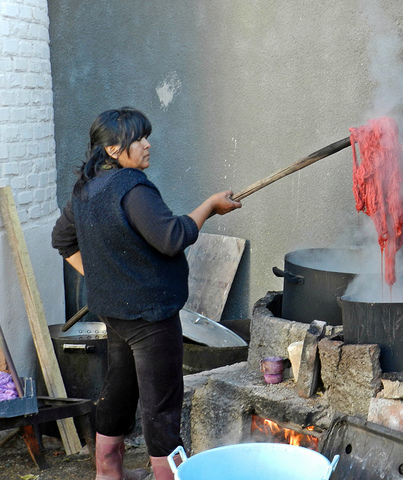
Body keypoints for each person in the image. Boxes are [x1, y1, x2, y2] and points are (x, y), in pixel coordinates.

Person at [51, 107, 242, 480]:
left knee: (119, 389)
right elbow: (173, 238)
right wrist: (209, 207)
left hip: (116, 313)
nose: (146, 145)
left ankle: (107, 471)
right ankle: (168, 475)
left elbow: (61, 239)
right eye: (137, 139)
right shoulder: (133, 188)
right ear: (111, 149)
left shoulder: (86, 190)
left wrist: (104, 278)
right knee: (162, 407)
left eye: (145, 136)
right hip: (150, 317)